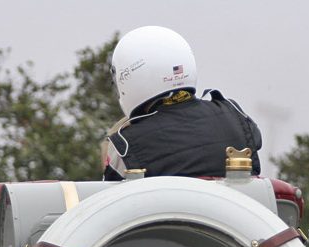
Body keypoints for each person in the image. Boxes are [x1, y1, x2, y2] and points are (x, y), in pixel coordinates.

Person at [103, 26, 263, 181]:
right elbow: (256, 140)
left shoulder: (125, 145)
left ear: (130, 78)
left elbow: (109, 200)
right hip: (236, 207)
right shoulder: (233, 114)